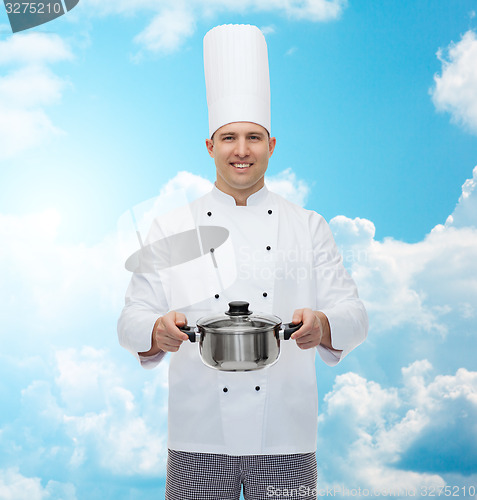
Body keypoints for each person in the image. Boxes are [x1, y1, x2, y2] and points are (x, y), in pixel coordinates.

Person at [118, 24, 368, 500]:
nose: (241, 150)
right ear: (210, 147)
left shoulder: (308, 225)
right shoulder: (171, 228)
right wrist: (154, 330)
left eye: (254, 137)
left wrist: (325, 324)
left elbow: (355, 316)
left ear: (272, 146)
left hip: (286, 439)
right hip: (197, 436)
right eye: (228, 137)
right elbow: (129, 318)